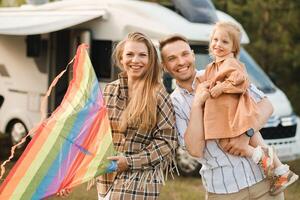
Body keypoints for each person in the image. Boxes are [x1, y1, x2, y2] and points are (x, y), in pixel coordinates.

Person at [159, 33, 285, 199]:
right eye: (172, 58)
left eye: (184, 54)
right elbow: (195, 150)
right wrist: (197, 104)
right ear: (164, 66)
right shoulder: (173, 104)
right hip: (224, 191)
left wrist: (245, 135)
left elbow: (266, 105)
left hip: (264, 183)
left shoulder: (221, 72)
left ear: (193, 55)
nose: (181, 62)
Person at [199, 21, 298, 194]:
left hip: (239, 113)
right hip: (230, 115)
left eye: (225, 41)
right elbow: (206, 82)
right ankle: (278, 170)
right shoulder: (213, 66)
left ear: (234, 48)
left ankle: (278, 171)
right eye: (215, 39)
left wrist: (220, 87)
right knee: (248, 143)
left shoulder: (230, 62)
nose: (218, 44)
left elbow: (240, 79)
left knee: (246, 144)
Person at [96, 32, 178, 199]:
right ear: (121, 58)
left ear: (150, 60)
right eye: (130, 54)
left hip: (139, 181)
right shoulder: (109, 90)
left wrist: (129, 162)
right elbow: (96, 134)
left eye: (142, 55)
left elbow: (167, 141)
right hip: (105, 179)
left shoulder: (158, 95)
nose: (135, 60)